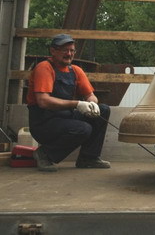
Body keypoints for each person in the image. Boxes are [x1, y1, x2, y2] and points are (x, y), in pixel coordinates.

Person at [27, 34, 111, 172]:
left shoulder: (76, 70)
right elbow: (43, 101)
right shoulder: (44, 68)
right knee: (83, 129)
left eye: (72, 50)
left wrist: (92, 104)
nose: (69, 54)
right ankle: (45, 154)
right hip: (44, 122)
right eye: (65, 50)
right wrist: (77, 104)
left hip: (65, 117)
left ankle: (88, 158)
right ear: (53, 51)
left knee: (103, 110)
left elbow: (90, 95)